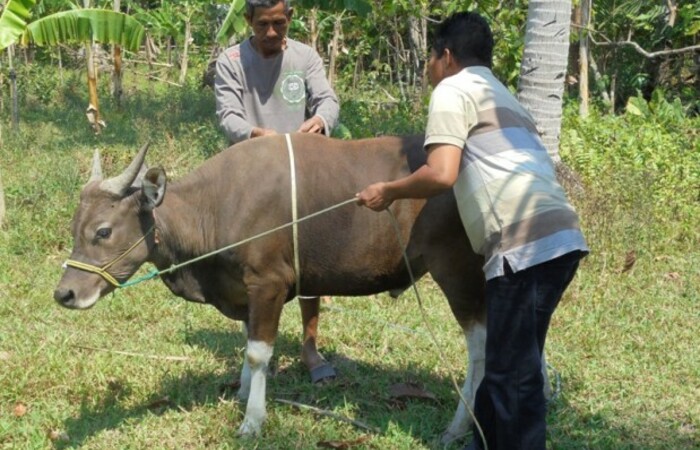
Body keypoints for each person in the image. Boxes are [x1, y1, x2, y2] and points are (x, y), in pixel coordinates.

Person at [356, 11, 588, 450]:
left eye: (429, 58)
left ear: (445, 57)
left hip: (524, 246)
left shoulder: (453, 89)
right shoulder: (503, 95)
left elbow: (442, 173)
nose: (427, 69)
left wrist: (388, 190)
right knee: (507, 367)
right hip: (561, 240)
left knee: (513, 379)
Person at [214, 0, 340, 383]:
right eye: (263, 25)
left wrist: (320, 120)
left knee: (308, 259)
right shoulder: (231, 59)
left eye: (280, 25)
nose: (272, 33)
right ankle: (253, 351)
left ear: (290, 20)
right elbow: (228, 114)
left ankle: (310, 346)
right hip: (250, 176)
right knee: (253, 266)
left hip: (302, 171)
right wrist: (256, 136)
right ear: (248, 20)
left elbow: (328, 100)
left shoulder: (305, 56)